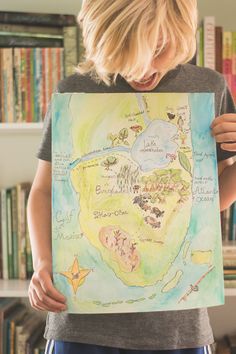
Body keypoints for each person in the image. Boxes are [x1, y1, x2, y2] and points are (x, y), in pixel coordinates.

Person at [27, 1, 236, 354]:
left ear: (182, 30)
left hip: (177, 326)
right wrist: (42, 264)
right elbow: (43, 190)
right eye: (127, 53)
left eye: (157, 49)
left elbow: (207, 201)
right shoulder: (74, 91)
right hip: (80, 322)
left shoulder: (209, 88)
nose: (143, 69)